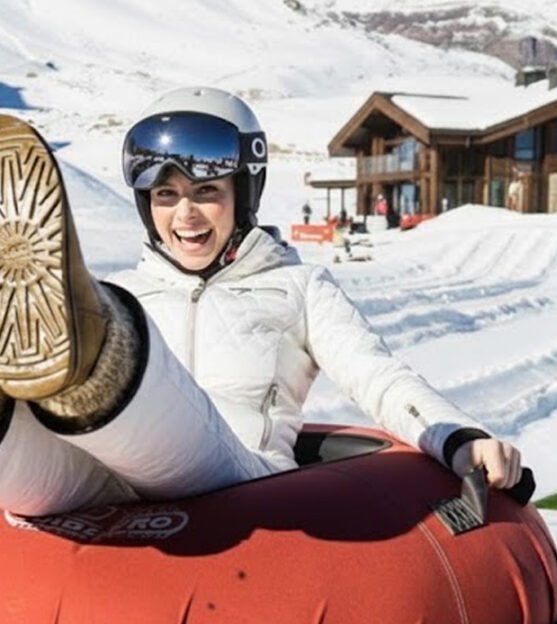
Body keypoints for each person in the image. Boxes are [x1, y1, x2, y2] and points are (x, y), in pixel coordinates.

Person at [0, 87, 523, 518]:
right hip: (112, 496)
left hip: (241, 486)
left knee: (124, 347)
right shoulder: (131, 290)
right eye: (166, 196)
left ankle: (100, 359)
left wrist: (458, 436)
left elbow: (378, 377)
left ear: (244, 192)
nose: (185, 215)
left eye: (206, 192)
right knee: (24, 460)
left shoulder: (297, 287)